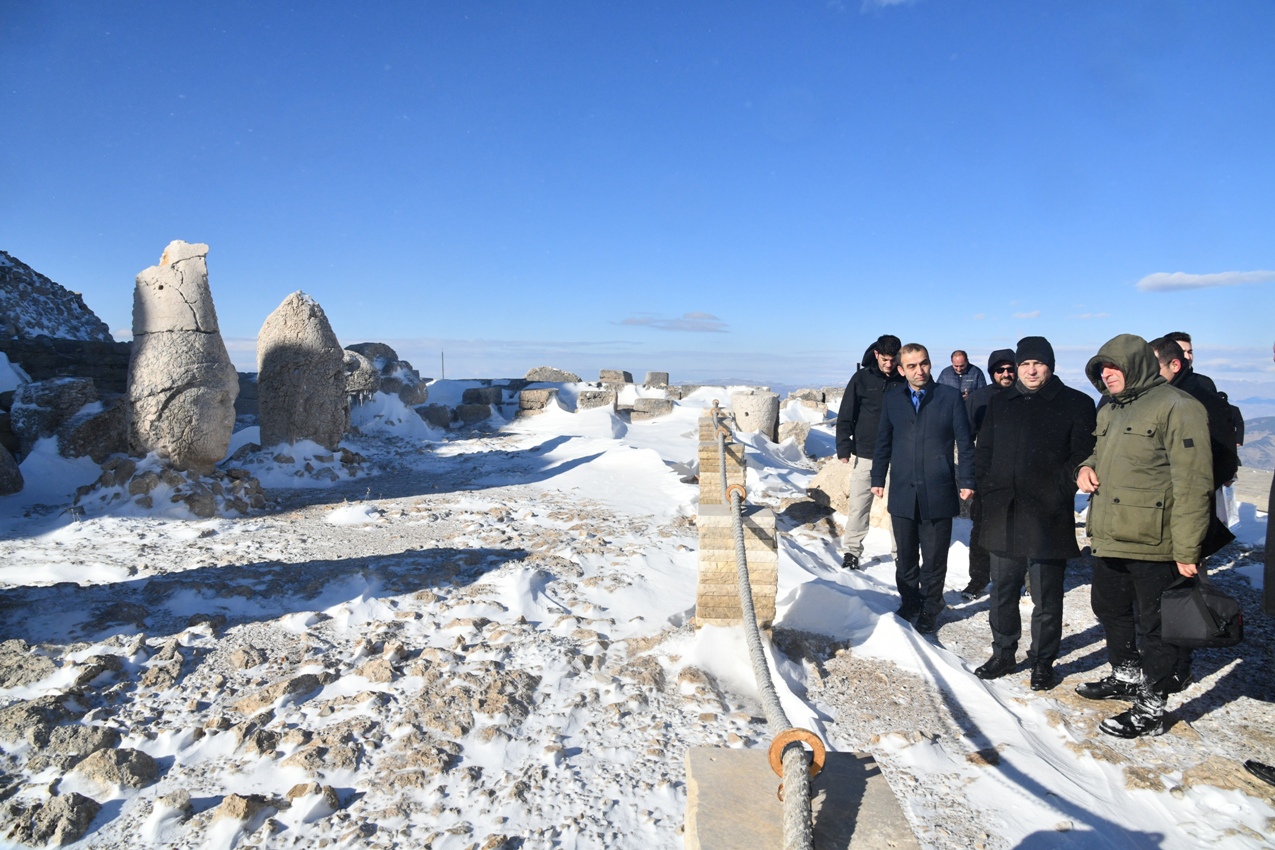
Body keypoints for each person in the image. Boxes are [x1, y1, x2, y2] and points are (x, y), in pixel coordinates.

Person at [1074, 334, 1213, 738]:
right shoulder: (1111, 410)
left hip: (1157, 542)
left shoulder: (1178, 407)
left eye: (1113, 366)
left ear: (1136, 365)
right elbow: (1099, 454)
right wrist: (1084, 468)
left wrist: (1188, 549)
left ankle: (1152, 705)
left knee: (1156, 627)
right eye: (1101, 368)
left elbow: (1194, 483)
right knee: (1109, 608)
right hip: (1110, 534)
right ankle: (1125, 674)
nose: (1106, 374)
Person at [971, 337, 1096, 690]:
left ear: (1050, 366)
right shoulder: (1001, 403)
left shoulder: (1076, 403)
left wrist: (1058, 490)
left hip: (1047, 513)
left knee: (1046, 594)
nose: (1030, 369)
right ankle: (1003, 651)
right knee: (1003, 589)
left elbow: (1082, 455)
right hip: (1004, 510)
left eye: (1037, 363)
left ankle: (1042, 660)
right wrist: (988, 487)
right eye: (1024, 363)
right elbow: (986, 450)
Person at [871, 343, 975, 633]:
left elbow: (965, 444)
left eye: (924, 364)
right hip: (904, 489)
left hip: (938, 489)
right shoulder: (892, 399)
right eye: (913, 366)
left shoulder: (950, 397)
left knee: (934, 557)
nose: (920, 370)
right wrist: (878, 478)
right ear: (902, 370)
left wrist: (967, 480)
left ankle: (931, 606)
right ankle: (910, 601)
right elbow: (883, 442)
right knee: (905, 555)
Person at [834, 334, 904, 570]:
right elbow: (846, 413)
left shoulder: (906, 378)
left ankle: (901, 553)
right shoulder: (861, 378)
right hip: (866, 453)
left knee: (899, 507)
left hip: (899, 454)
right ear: (876, 354)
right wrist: (843, 446)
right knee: (859, 506)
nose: (889, 364)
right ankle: (852, 552)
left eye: (893, 359)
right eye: (885, 359)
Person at [961, 349, 1016, 599]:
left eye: (1010, 369)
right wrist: (968, 477)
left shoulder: (1027, 396)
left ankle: (1020, 578)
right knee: (980, 528)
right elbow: (966, 440)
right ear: (992, 372)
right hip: (986, 474)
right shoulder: (979, 398)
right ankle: (978, 579)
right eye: (1000, 370)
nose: (1006, 374)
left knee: (1020, 527)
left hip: (1020, 475)